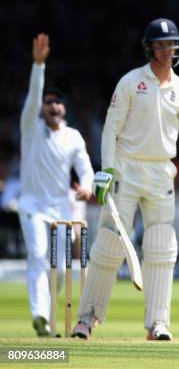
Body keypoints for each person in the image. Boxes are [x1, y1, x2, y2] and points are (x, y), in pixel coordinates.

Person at [72, 18, 179, 341]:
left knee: (162, 246)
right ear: (149, 47)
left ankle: (158, 323)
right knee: (110, 243)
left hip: (161, 173)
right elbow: (111, 128)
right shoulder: (130, 82)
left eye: (172, 43)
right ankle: (86, 318)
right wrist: (106, 169)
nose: (168, 50)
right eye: (161, 44)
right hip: (125, 169)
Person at [18, 33, 94, 336]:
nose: (52, 105)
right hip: (33, 205)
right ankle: (41, 317)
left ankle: (46, 311)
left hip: (61, 208)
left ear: (64, 108)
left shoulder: (73, 136)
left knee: (61, 270)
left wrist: (87, 186)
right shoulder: (30, 128)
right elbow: (33, 96)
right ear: (41, 107)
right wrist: (38, 66)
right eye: (47, 102)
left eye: (57, 102)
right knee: (38, 256)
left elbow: (85, 168)